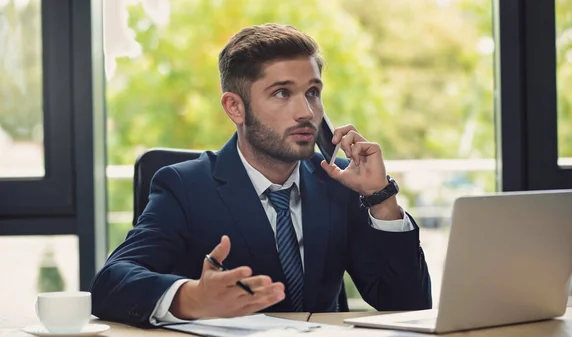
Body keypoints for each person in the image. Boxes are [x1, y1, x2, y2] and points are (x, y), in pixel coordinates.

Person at [90, 23, 432, 328]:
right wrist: (191, 298)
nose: (306, 112)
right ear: (235, 108)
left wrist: (381, 199)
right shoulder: (185, 187)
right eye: (282, 93)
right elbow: (111, 283)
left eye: (312, 92)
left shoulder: (340, 182)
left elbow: (408, 305)